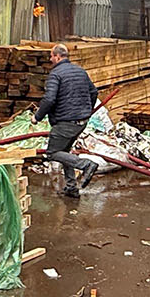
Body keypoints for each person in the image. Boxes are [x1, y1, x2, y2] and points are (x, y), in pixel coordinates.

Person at [32, 42, 100, 198]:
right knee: (64, 152)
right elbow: (94, 92)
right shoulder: (80, 71)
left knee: (53, 152)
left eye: (51, 56)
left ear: (57, 56)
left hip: (66, 122)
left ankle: (85, 165)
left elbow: (49, 99)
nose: (50, 59)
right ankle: (71, 187)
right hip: (81, 121)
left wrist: (37, 117)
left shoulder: (55, 75)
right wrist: (86, 111)